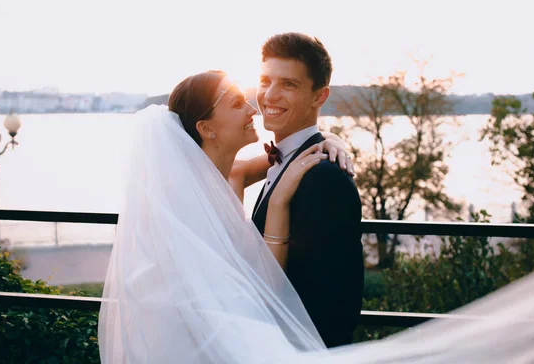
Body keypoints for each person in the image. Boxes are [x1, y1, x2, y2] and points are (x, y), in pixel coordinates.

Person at [98, 70, 356, 363]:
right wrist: (279, 201)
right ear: (207, 128)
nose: (252, 109)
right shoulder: (182, 204)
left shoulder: (234, 174)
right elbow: (264, 289)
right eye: (236, 104)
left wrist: (333, 141)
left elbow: (298, 150)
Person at [251, 32, 365, 347]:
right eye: (264, 81)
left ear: (319, 96)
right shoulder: (283, 160)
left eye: (288, 84)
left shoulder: (325, 178)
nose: (269, 95)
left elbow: (332, 303)